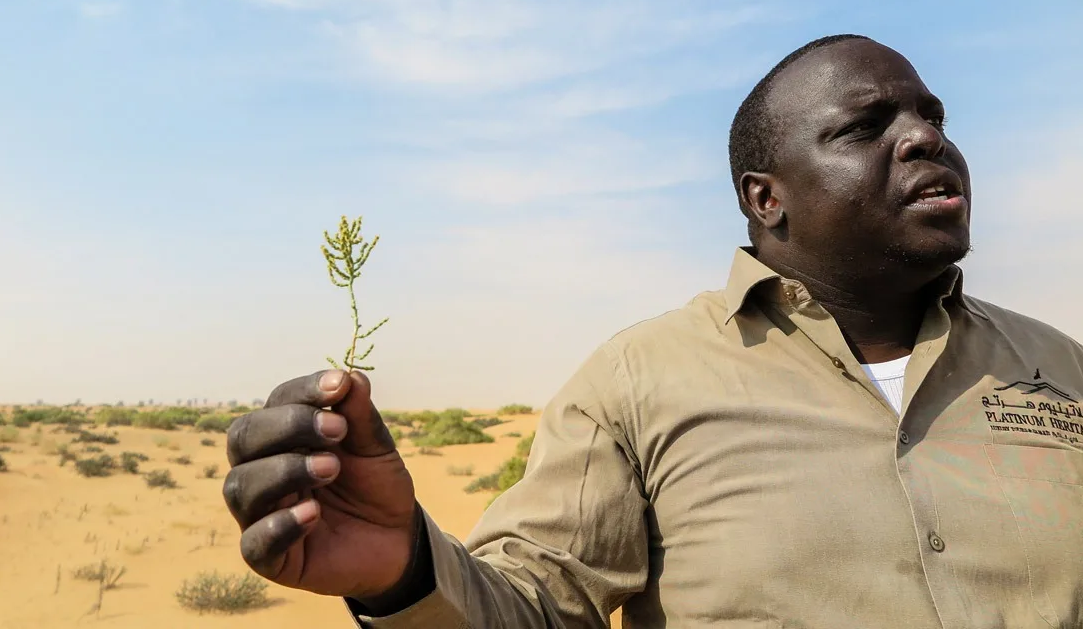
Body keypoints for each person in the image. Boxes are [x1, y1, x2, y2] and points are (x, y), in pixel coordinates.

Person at [221, 35, 1083, 628]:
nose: (926, 137)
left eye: (932, 115)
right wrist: (406, 572)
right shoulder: (639, 379)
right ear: (765, 198)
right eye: (868, 127)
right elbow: (537, 603)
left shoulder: (1059, 367)